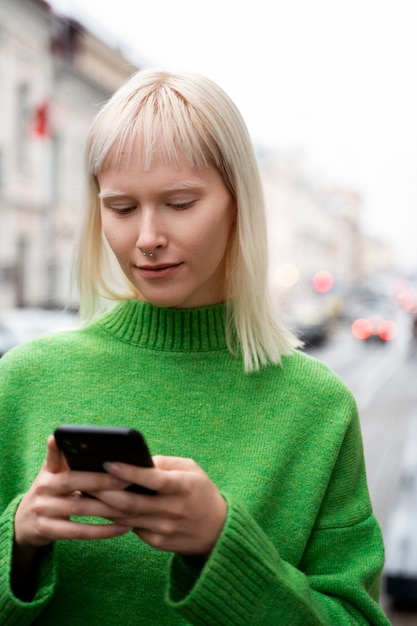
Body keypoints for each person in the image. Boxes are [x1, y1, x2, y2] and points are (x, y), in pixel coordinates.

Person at [0, 69, 390, 625]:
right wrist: (18, 539)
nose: (147, 237)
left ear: (239, 203)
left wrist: (221, 547)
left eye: (180, 204)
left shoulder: (317, 407)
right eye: (122, 207)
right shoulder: (21, 380)